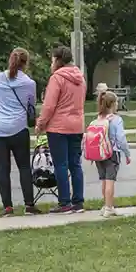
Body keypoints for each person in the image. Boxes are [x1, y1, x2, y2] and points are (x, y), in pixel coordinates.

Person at [0, 47, 40, 216]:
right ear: (26, 63)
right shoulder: (29, 83)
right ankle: (29, 205)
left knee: (3, 168)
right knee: (24, 166)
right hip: (18, 127)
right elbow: (31, 104)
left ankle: (7, 207)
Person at [36, 46, 87, 214]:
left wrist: (41, 123)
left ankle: (64, 202)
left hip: (58, 127)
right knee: (75, 164)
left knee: (61, 165)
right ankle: (78, 202)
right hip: (77, 126)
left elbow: (49, 105)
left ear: (58, 60)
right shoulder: (81, 78)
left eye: (52, 60)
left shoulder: (56, 78)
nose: (51, 63)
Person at [91, 90, 131, 218]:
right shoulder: (116, 119)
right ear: (113, 104)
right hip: (112, 153)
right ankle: (109, 207)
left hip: (99, 154)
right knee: (110, 181)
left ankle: (106, 205)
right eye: (117, 102)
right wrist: (127, 153)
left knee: (103, 180)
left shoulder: (98, 118)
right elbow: (121, 138)